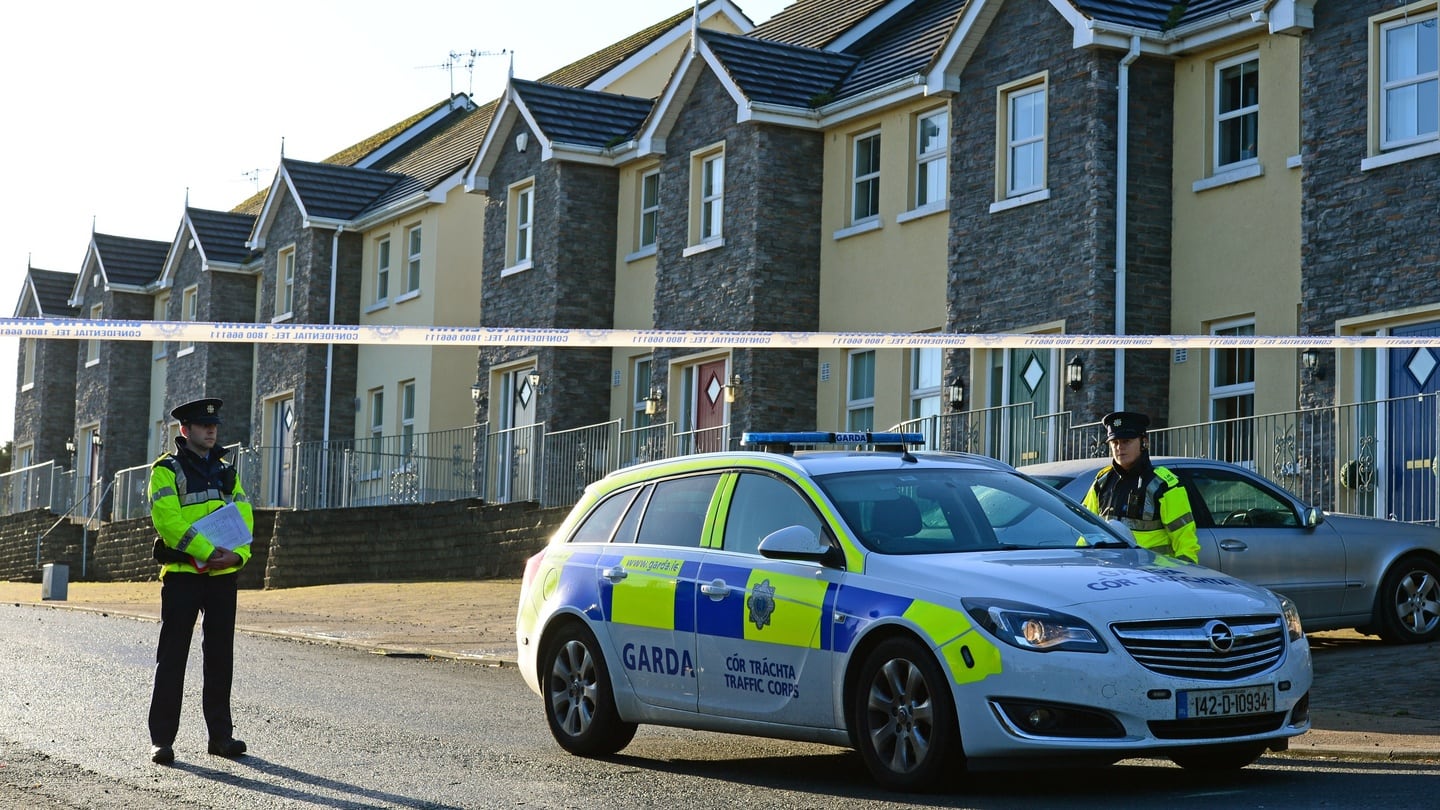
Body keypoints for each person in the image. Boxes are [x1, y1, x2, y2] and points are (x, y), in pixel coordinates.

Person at [147, 397, 253, 764]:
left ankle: (221, 737)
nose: (211, 430)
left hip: (222, 576)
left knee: (220, 657)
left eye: (214, 425)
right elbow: (168, 521)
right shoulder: (166, 470)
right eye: (203, 425)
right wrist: (209, 552)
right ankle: (162, 740)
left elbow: (244, 516)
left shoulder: (227, 471)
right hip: (183, 577)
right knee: (172, 657)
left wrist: (239, 555)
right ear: (184, 430)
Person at [1082, 411, 1200, 564]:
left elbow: (1186, 541)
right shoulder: (1102, 481)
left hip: (1155, 578)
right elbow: (1086, 530)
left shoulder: (1165, 485)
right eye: (1115, 443)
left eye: (1126, 441)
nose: (1119, 448)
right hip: (1110, 576)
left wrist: (1184, 576)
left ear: (1144, 442)